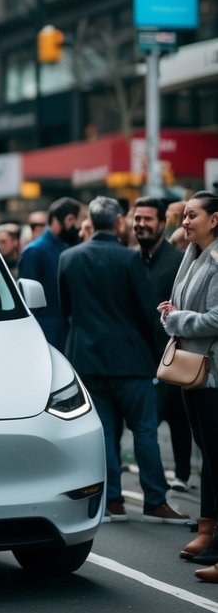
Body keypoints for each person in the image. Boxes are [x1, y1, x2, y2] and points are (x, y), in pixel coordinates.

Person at [59, 195, 187, 525]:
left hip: (87, 360)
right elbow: (147, 312)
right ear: (118, 222)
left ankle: (112, 501)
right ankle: (155, 500)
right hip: (131, 362)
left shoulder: (69, 258)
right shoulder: (129, 259)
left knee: (104, 435)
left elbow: (66, 311)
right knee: (144, 433)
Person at [157, 191, 218, 582]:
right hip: (190, 368)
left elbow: (215, 318)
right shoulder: (192, 254)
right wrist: (172, 311)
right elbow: (183, 303)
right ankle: (207, 530)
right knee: (208, 456)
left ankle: (212, 537)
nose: (185, 222)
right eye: (184, 216)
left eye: (192, 216)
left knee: (215, 456)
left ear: (215, 219)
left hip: (211, 371)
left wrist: (176, 320)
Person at [132, 197, 192, 493]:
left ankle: (181, 474)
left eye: (147, 219)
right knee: (144, 426)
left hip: (172, 354)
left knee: (178, 419)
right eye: (137, 218)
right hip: (137, 357)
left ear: (161, 223)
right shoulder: (128, 259)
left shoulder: (178, 262)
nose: (141, 224)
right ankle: (152, 486)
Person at [17, 196, 81, 350]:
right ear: (69, 219)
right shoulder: (35, 251)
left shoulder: (65, 247)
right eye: (79, 221)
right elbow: (26, 301)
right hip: (45, 335)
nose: (79, 228)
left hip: (63, 333)